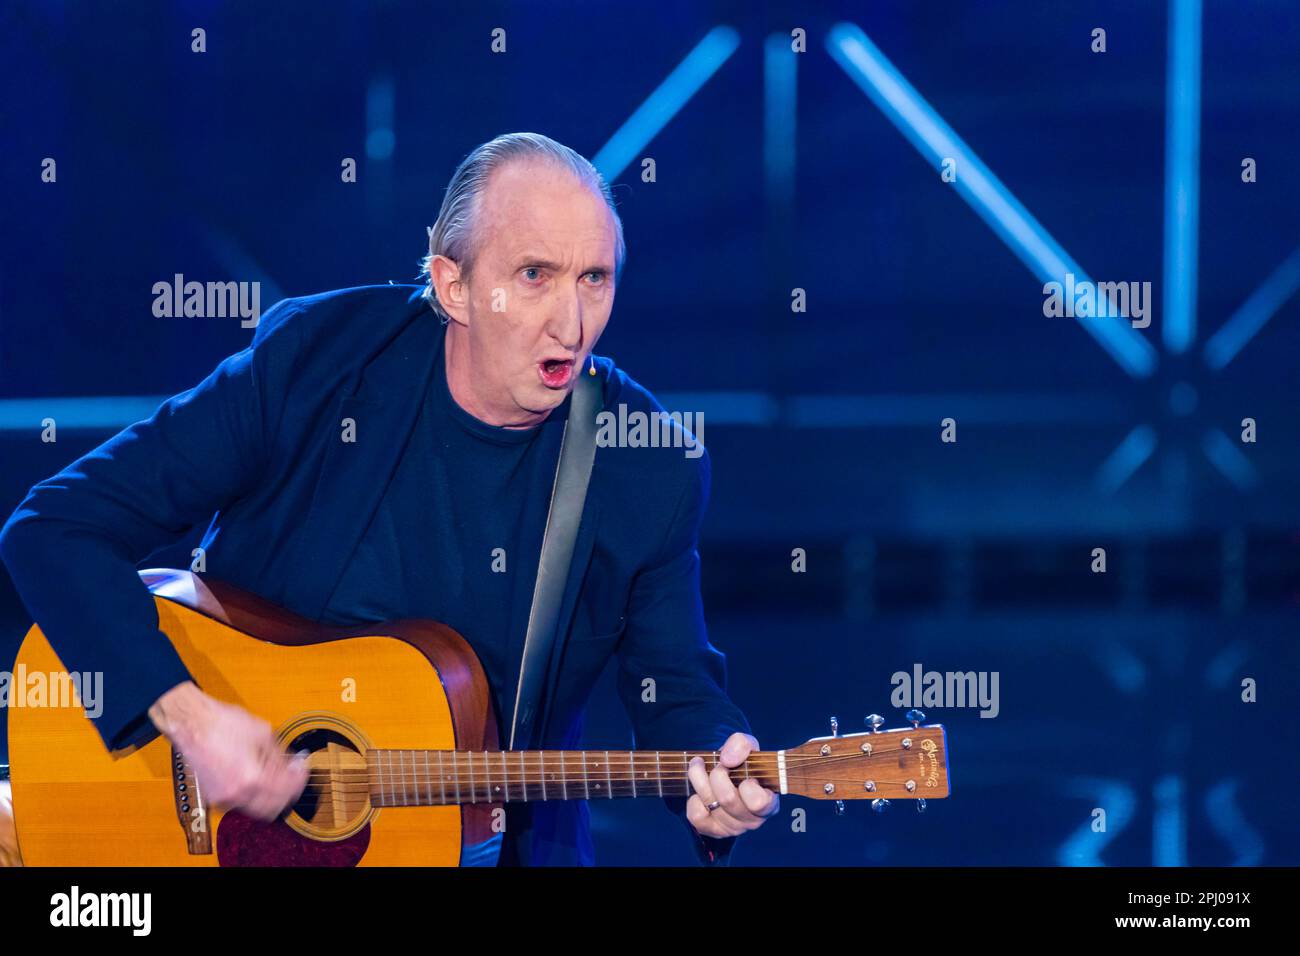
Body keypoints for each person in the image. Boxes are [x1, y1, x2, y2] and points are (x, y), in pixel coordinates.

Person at [0, 132, 778, 865]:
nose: (572, 324)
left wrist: (718, 779)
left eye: (595, 279)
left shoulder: (646, 464)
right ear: (453, 285)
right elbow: (54, 527)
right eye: (534, 276)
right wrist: (186, 714)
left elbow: (677, 690)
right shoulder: (314, 364)